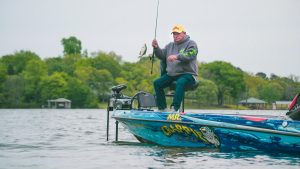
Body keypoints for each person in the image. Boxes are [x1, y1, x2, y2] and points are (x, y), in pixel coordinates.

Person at [152, 24, 198, 112]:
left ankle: (175, 108)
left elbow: (191, 54)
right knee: (157, 83)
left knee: (180, 82)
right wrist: (156, 48)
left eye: (178, 34)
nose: (175, 36)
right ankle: (162, 109)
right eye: (174, 34)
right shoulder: (170, 45)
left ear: (184, 33)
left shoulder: (191, 43)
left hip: (187, 74)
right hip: (172, 74)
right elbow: (161, 55)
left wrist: (177, 57)